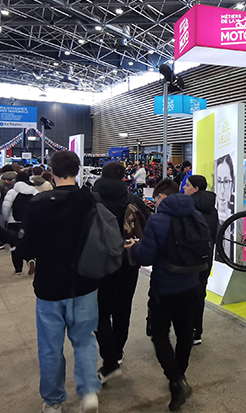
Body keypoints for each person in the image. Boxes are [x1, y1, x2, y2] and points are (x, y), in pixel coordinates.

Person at [19, 152, 101, 412]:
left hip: (49, 285)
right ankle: (89, 393)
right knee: (85, 340)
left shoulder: (39, 203)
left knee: (50, 347)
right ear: (77, 171)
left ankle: (53, 402)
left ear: (51, 171)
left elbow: (26, 246)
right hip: (85, 283)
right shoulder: (90, 200)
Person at [126, 179, 206, 411]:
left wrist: (134, 248)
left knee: (160, 335)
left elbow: (147, 256)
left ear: (162, 198)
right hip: (192, 285)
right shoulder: (197, 217)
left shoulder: (158, 221)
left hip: (165, 287)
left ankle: (175, 380)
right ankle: (179, 376)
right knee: (184, 334)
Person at [93, 161, 151, 384]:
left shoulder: (92, 199)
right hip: (128, 261)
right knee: (122, 307)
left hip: (100, 263)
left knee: (100, 312)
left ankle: (109, 356)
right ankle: (117, 351)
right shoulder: (133, 199)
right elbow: (147, 224)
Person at [183, 175, 219, 346]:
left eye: (187, 185)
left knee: (185, 294)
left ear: (196, 189)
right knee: (199, 294)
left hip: (187, 259)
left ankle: (186, 330)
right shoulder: (212, 209)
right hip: (206, 257)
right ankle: (196, 331)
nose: (184, 188)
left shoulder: (186, 207)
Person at [1, 170, 40, 275]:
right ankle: (30, 259)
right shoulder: (35, 191)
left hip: (13, 221)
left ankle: (18, 269)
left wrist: (6, 218)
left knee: (15, 245)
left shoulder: (12, 192)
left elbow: (6, 207)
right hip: (30, 222)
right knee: (29, 242)